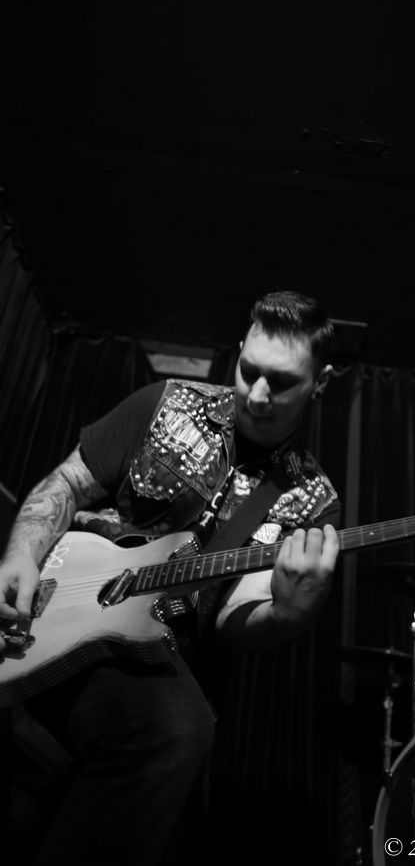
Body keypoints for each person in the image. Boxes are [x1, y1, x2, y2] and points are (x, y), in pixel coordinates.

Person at [0, 290, 341, 865]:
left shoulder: (310, 501)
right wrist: (20, 557)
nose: (258, 395)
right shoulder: (165, 403)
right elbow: (68, 485)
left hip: (149, 658)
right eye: (249, 370)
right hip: (58, 609)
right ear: (239, 349)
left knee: (179, 733)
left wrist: (289, 612)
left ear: (321, 382)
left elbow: (234, 620)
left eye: (282, 382)